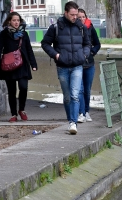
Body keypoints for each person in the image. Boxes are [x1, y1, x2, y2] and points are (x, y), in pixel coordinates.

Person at [41, 1, 90, 134]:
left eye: (76, 15)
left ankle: (73, 123)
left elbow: (87, 44)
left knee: (75, 95)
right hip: (62, 66)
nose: (75, 17)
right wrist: (55, 55)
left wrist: (84, 55)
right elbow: (45, 43)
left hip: (77, 66)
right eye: (72, 15)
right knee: (67, 96)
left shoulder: (81, 27)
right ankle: (70, 120)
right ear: (66, 13)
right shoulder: (55, 27)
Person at [0, 12, 38, 122]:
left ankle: (21, 109)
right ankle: (13, 114)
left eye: (18, 20)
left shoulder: (24, 34)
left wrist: (33, 64)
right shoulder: (4, 34)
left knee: (23, 87)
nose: (16, 22)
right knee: (11, 90)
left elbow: (29, 50)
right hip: (9, 65)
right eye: (14, 20)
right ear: (9, 21)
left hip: (22, 64)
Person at [77, 8, 101, 123]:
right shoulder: (73, 29)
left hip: (89, 64)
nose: (81, 19)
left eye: (83, 17)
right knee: (79, 90)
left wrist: (91, 52)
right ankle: (81, 113)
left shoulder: (90, 28)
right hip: (77, 64)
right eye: (79, 17)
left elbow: (97, 44)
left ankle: (86, 111)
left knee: (87, 90)